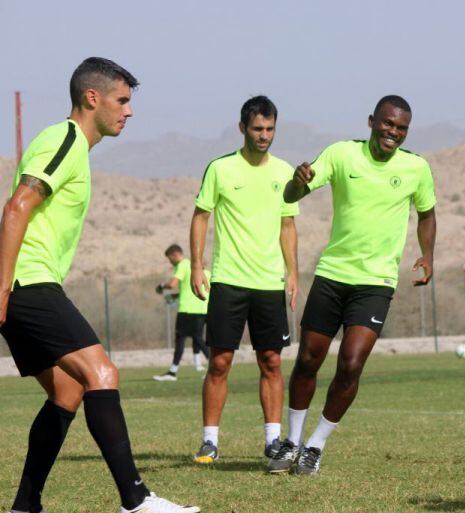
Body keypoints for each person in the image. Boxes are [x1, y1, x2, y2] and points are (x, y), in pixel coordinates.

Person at [0, 57, 197, 513]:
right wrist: (4, 287)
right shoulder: (64, 140)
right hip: (26, 282)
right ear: (92, 98)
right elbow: (15, 208)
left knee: (67, 392)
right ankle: (136, 500)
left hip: (29, 281)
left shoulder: (75, 150)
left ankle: (25, 505)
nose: (128, 112)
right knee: (101, 373)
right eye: (122, 101)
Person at [268, 95, 437, 475]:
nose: (393, 132)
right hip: (332, 275)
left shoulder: (416, 168)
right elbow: (291, 195)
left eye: (401, 128)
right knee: (309, 358)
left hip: (375, 283)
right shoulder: (343, 154)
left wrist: (428, 255)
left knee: (351, 363)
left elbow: (427, 214)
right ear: (371, 121)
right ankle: (291, 441)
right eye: (387, 123)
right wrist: (297, 183)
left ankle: (315, 445)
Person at [189, 96, 299, 464]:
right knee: (219, 362)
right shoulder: (220, 169)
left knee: (272, 361)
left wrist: (293, 272)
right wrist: (196, 265)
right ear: (242, 128)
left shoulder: (284, 171)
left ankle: (273, 440)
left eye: (269, 129)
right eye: (257, 128)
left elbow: (288, 224)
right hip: (229, 282)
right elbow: (201, 216)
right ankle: (209, 442)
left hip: (269, 284)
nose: (264, 135)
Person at [153, 244, 211, 381]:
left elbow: (172, 284)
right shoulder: (203, 271)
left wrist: (161, 287)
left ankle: (173, 372)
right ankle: (175, 371)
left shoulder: (183, 265)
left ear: (174, 255)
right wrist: (177, 296)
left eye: (169, 259)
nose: (170, 262)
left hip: (187, 310)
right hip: (202, 309)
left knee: (182, 339)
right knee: (197, 338)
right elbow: (193, 289)